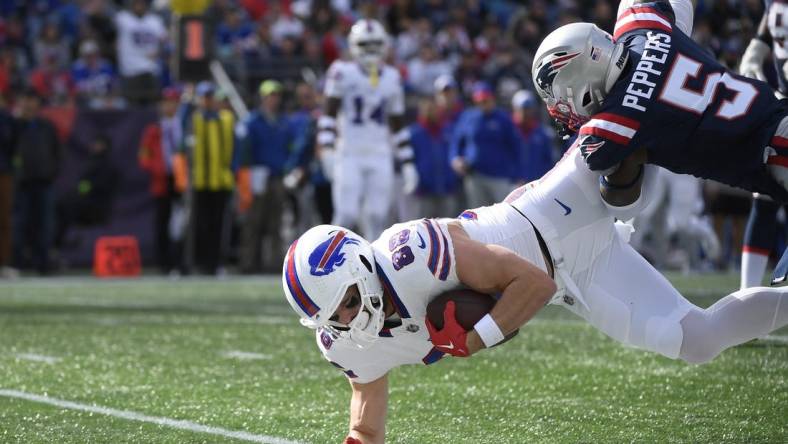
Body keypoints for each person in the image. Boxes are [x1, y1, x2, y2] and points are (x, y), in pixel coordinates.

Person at [282, 148, 788, 444]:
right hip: (576, 276)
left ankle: (653, 35)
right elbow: (366, 413)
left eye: (346, 304)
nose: (345, 322)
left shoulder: (410, 255)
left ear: (360, 267)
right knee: (698, 341)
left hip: (556, 213)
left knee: (628, 114)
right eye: (331, 319)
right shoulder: (344, 340)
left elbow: (530, 284)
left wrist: (474, 340)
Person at [529, 0, 788, 283]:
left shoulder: (614, 124)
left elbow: (621, 199)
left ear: (580, 74)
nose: (560, 108)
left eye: (557, 96)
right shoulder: (644, 25)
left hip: (776, 152)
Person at [318, 18, 418, 240]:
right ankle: (328, 265)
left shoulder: (392, 77)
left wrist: (408, 162)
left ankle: (372, 268)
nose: (371, 50)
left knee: (377, 216)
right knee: (346, 215)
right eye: (365, 44)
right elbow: (328, 115)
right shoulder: (341, 71)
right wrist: (326, 149)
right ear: (353, 45)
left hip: (380, 153)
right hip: (349, 153)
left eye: (375, 44)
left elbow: (398, 124)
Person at [737, 4, 788, 288]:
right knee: (765, 195)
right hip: (783, 104)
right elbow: (769, 29)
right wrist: (754, 52)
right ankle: (747, 293)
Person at [236, 80, 295, 273]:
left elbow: (289, 149)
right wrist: (246, 174)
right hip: (257, 175)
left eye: (276, 95)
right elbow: (243, 150)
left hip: (277, 176)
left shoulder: (283, 122)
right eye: (270, 95)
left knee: (275, 222)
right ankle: (249, 262)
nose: (273, 99)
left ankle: (274, 263)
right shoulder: (252, 121)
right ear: (262, 97)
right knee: (254, 221)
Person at [184, 81, 235, 275]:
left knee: (218, 226)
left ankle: (216, 263)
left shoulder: (226, 118)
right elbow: (182, 125)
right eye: (204, 97)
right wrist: (187, 102)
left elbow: (236, 147)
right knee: (199, 224)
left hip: (221, 180)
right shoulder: (194, 119)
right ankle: (198, 263)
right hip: (200, 181)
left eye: (210, 96)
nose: (207, 101)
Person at [449, 81, 526, 208]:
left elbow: (516, 147)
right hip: (475, 175)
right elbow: (456, 142)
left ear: (492, 99)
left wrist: (519, 175)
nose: (483, 104)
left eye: (486, 100)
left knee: (502, 213)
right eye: (480, 101)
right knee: (477, 216)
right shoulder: (468, 117)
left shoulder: (503, 119)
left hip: (500, 176)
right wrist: (455, 159)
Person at [13, 89, 60, 274]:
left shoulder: (46, 126)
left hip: (44, 181)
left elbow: (57, 152)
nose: (28, 103)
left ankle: (43, 264)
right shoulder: (13, 125)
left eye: (31, 100)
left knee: (45, 225)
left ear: (38, 103)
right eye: (24, 99)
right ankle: (17, 263)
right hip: (20, 183)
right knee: (19, 224)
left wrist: (52, 172)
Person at [138, 87, 185, 274]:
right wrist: (156, 169)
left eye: (173, 102)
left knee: (181, 222)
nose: (170, 106)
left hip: (181, 179)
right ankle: (163, 262)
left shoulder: (184, 127)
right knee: (162, 221)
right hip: (162, 179)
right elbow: (143, 156)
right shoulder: (153, 130)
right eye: (166, 102)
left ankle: (180, 260)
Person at [115, 0, 167, 105]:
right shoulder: (123, 18)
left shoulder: (154, 21)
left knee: (152, 108)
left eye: (141, 2)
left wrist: (159, 51)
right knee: (132, 109)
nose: (139, 5)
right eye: (136, 3)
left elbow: (166, 40)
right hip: (130, 71)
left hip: (150, 70)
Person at [511, 89, 557, 182]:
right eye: (522, 109)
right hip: (512, 183)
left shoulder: (542, 133)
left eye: (528, 109)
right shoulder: (508, 130)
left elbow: (548, 160)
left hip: (536, 183)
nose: (525, 113)